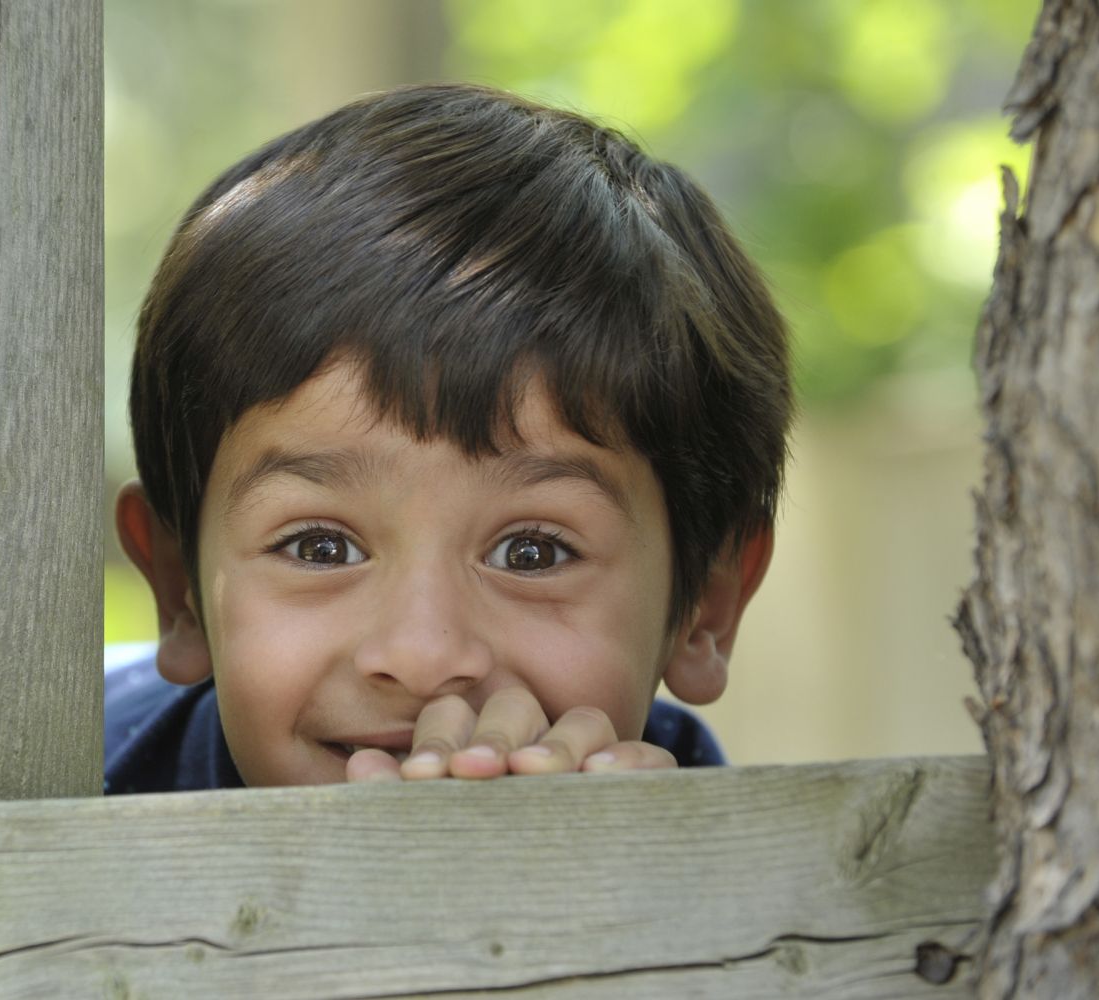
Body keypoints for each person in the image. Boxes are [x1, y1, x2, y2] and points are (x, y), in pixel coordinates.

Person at [105, 83, 791, 793]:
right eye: (319, 547)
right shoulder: (60, 807)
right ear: (179, 588)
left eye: (533, 553)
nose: (424, 656)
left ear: (705, 606)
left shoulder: (728, 884)